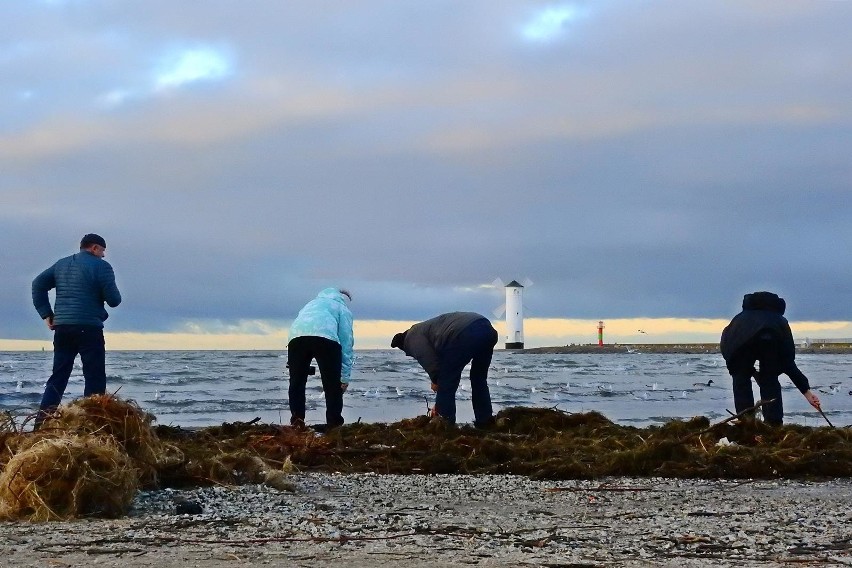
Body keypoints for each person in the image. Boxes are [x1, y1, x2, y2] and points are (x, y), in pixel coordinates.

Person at [31, 234, 122, 428]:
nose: (104, 255)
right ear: (95, 248)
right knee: (94, 376)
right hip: (89, 327)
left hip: (62, 328)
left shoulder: (61, 264)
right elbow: (114, 300)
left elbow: (37, 285)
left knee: (59, 376)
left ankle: (41, 424)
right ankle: (92, 424)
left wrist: (47, 314)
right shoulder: (102, 267)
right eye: (103, 250)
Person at [720, 291, 820, 425]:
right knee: (770, 379)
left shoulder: (738, 320)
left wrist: (746, 370)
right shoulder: (779, 320)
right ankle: (773, 423)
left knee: (740, 379)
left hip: (739, 347)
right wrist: (807, 393)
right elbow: (787, 361)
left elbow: (728, 347)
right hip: (771, 340)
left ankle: (745, 422)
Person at [391, 312, 498, 427]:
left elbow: (429, 360)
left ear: (403, 345)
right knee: (479, 379)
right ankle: (485, 421)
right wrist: (440, 398)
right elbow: (441, 360)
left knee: (446, 383)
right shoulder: (427, 329)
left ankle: (444, 424)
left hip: (464, 333)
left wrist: (436, 381)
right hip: (487, 329)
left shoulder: (412, 337)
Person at [287, 288, 354, 429]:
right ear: (342, 297)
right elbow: (346, 343)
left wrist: (292, 363)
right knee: (332, 384)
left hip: (296, 339)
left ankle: (297, 422)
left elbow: (298, 326)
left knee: (296, 382)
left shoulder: (310, 304)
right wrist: (345, 378)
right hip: (326, 339)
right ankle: (334, 423)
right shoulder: (341, 308)